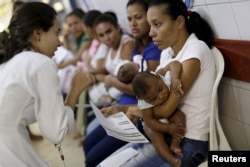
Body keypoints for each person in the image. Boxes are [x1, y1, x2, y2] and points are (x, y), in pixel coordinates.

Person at [100, 0, 216, 166]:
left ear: (180, 22)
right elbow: (153, 101)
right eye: (150, 25)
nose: (152, 33)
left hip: (190, 142)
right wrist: (121, 108)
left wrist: (130, 109)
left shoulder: (195, 51)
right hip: (166, 136)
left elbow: (166, 109)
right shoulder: (167, 53)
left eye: (157, 24)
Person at [0, 2, 93, 166]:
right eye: (57, 32)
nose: (59, 42)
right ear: (37, 33)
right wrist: (74, 91)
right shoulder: (40, 63)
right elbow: (56, 133)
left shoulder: (10, 63)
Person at [82, 1, 161, 166]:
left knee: (93, 159)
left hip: (135, 116)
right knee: (88, 144)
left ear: (150, 17)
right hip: (122, 108)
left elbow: (144, 91)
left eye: (138, 17)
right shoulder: (138, 46)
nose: (132, 23)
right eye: (129, 18)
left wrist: (111, 81)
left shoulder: (153, 48)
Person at [132, 67, 186, 166]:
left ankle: (175, 144)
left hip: (169, 112)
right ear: (141, 98)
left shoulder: (159, 73)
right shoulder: (144, 102)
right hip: (155, 121)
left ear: (158, 77)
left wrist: (175, 78)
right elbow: (149, 121)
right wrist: (167, 128)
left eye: (160, 89)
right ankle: (170, 158)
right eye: (153, 99)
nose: (161, 96)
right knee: (156, 137)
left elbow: (174, 64)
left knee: (180, 117)